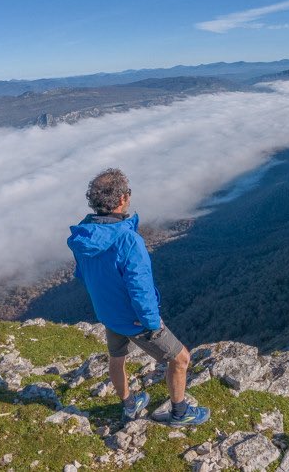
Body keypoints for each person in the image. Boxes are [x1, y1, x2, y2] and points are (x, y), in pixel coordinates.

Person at [66, 168, 210, 426]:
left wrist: (106, 304)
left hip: (108, 314)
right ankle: (180, 413)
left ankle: (129, 405)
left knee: (117, 359)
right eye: (128, 193)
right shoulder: (128, 241)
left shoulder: (84, 237)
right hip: (135, 318)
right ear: (122, 199)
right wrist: (152, 325)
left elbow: (84, 275)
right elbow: (140, 290)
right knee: (181, 359)